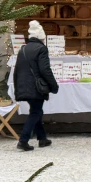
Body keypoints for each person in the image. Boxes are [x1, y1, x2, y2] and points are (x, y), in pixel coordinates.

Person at [13, 20, 59, 152]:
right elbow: (45, 70)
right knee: (36, 112)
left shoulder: (23, 49)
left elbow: (17, 70)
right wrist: (53, 85)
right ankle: (23, 140)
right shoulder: (41, 49)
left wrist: (18, 88)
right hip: (36, 87)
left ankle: (42, 138)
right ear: (41, 37)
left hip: (24, 86)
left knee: (36, 110)